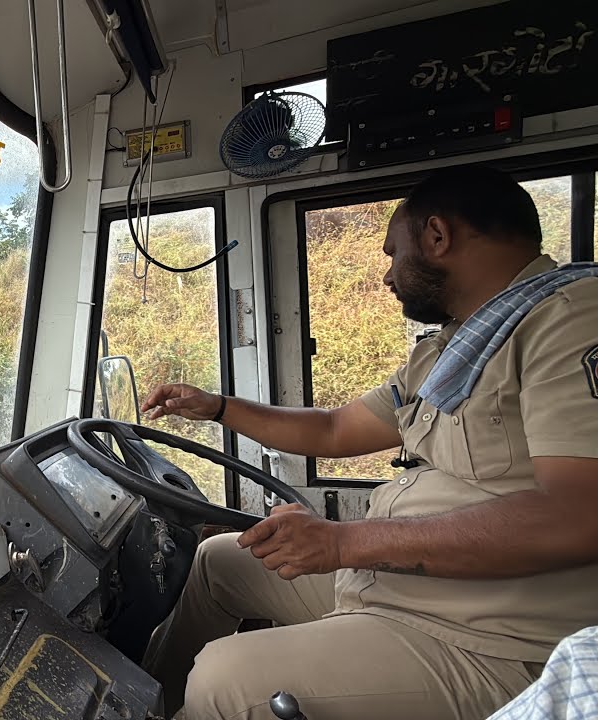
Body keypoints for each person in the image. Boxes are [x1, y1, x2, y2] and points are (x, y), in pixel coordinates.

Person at [139, 164, 598, 720]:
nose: (387, 275)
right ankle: (150, 703)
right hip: (402, 582)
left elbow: (577, 514)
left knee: (223, 679)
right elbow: (334, 429)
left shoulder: (572, 319)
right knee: (218, 561)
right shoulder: (456, 349)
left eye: (392, 253)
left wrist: (343, 543)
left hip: (488, 636)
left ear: (437, 236)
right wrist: (218, 407)